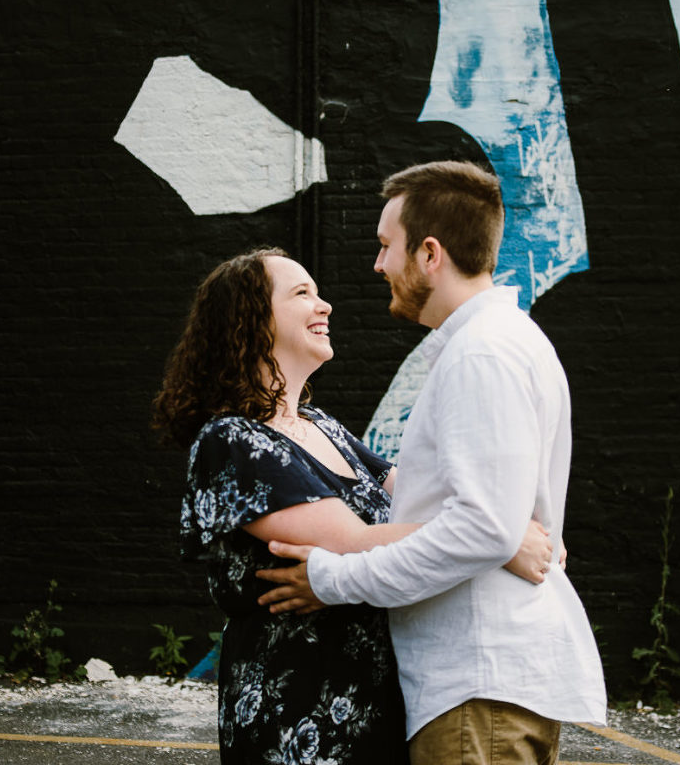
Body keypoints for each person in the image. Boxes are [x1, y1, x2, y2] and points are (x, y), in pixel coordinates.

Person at [257, 161, 607, 764]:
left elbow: (483, 530)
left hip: (478, 687)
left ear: (429, 253)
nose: (378, 265)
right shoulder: (501, 342)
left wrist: (332, 581)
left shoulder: (482, 355)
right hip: (483, 685)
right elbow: (497, 523)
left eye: (386, 246)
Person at [153, 247, 553, 765]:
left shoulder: (323, 426)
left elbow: (422, 490)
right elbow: (354, 544)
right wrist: (499, 540)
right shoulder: (231, 440)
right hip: (300, 707)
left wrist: (501, 513)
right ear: (249, 320)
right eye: (302, 294)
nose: (325, 306)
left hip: (377, 697)